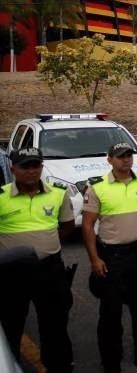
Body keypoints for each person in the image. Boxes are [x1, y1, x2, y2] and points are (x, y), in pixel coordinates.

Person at [82, 142, 137, 373]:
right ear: (110, 160)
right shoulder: (97, 188)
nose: (125, 160)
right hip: (112, 257)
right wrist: (95, 259)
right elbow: (88, 226)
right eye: (120, 156)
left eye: (128, 155)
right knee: (110, 313)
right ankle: (111, 362)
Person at [0, 147, 75, 373]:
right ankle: (9, 365)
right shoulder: (1, 196)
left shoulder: (58, 194)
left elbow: (67, 226)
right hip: (11, 273)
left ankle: (59, 366)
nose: (32, 171)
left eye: (36, 166)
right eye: (26, 167)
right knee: (10, 325)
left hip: (49, 270)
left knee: (54, 324)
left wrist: (46, 246)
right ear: (13, 169)